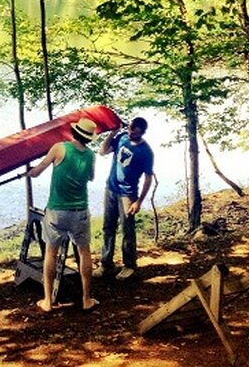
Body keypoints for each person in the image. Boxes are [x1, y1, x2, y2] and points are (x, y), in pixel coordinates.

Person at [27, 117, 99, 312]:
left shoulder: (59, 148)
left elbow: (38, 171)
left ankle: (48, 302)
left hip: (57, 210)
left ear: (73, 132)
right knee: (84, 252)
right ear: (88, 138)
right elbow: (91, 177)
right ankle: (86, 299)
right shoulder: (91, 156)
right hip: (80, 211)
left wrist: (30, 172)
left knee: (51, 253)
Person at [94, 116, 154, 280]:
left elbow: (148, 178)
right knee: (108, 227)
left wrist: (139, 201)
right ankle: (106, 264)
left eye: (134, 132)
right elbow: (102, 151)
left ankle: (129, 265)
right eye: (129, 129)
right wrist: (113, 132)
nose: (130, 133)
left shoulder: (146, 152)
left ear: (142, 132)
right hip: (111, 188)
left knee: (127, 230)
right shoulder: (121, 138)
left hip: (128, 194)